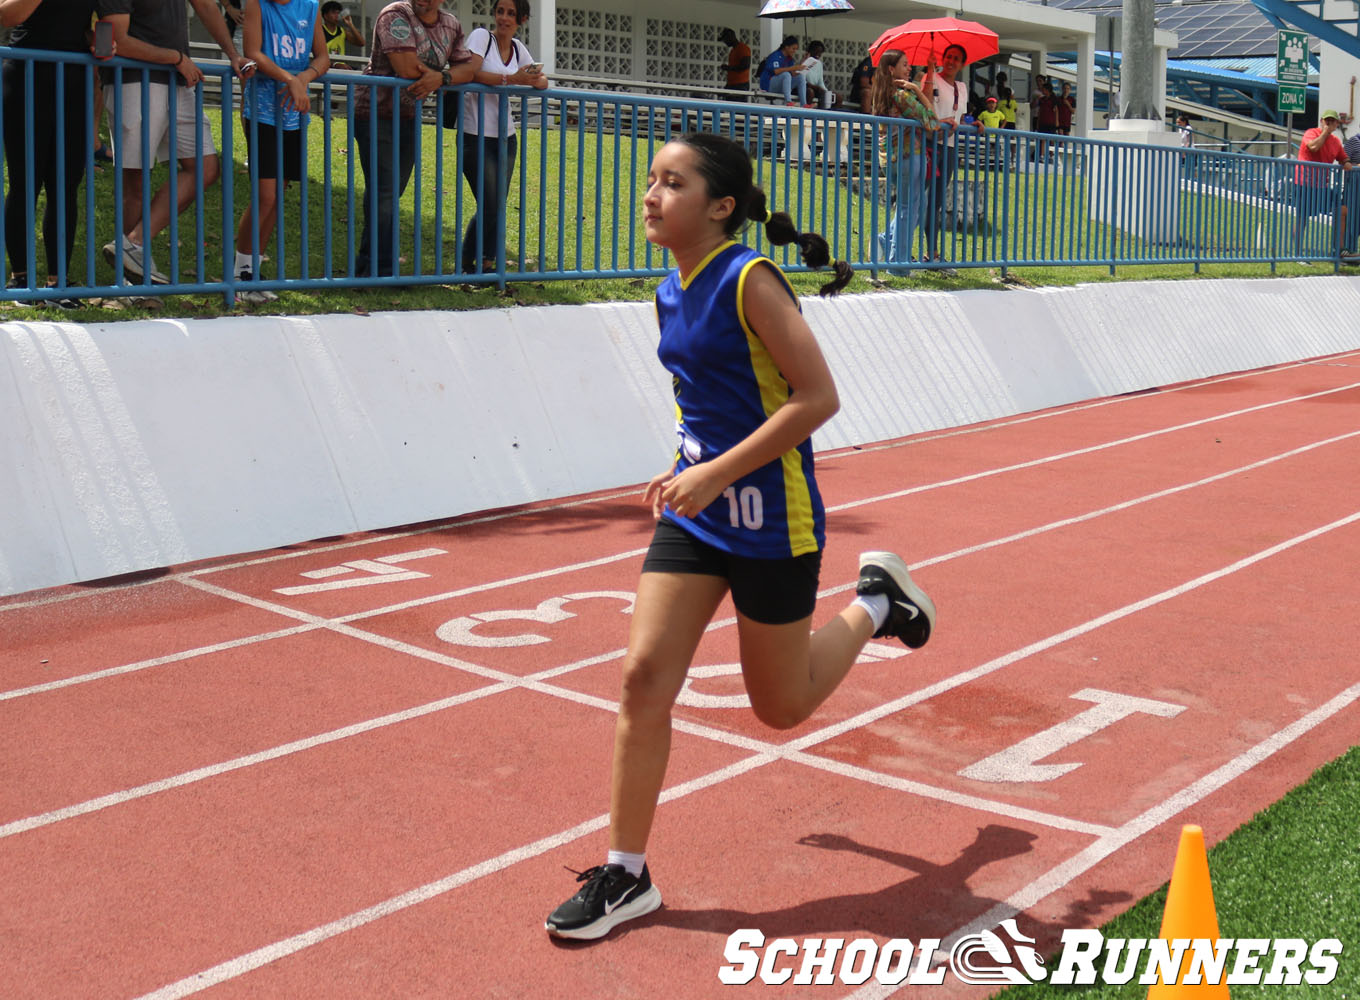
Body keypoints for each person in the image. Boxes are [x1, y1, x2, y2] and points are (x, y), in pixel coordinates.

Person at [543, 131, 936, 941]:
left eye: (673, 183)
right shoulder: (667, 288)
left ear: (720, 205)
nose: (652, 194)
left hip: (773, 521)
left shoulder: (749, 279)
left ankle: (875, 601)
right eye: (651, 179)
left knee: (781, 709)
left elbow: (817, 397)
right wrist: (685, 462)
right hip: (700, 514)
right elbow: (706, 398)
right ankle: (626, 874)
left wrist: (719, 470)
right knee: (643, 676)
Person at [97, 0, 253, 287]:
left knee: (205, 168)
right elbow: (115, 39)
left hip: (179, 80)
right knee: (135, 184)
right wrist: (175, 58)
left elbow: (205, 5)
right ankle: (130, 284)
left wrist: (233, 54)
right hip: (133, 80)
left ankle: (133, 246)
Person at [352, 0, 477, 279]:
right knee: (384, 191)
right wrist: (444, 78)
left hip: (408, 115)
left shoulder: (451, 24)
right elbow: (406, 67)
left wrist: (441, 78)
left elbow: (468, 70)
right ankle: (379, 269)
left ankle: (374, 264)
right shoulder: (394, 15)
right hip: (373, 112)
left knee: (392, 191)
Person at [2, 0, 102, 307]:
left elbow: (102, 28)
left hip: (74, 80)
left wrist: (103, 42)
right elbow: (7, 15)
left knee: (65, 187)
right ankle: (20, 279)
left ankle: (58, 284)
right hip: (25, 76)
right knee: (24, 182)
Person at [232, 0, 329, 304]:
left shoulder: (310, 7)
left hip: (294, 114)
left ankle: (255, 272)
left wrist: (304, 78)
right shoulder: (256, 5)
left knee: (279, 194)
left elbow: (323, 56)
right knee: (266, 196)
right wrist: (290, 78)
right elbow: (253, 52)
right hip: (261, 111)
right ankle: (241, 273)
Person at [456, 0, 547, 274]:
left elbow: (542, 81)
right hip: (475, 133)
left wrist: (530, 78)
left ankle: (480, 262)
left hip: (506, 137)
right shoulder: (482, 37)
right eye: (500, 11)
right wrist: (513, 80)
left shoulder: (519, 49)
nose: (504, 18)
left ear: (521, 19)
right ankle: (474, 261)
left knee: (495, 204)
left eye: (511, 14)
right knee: (491, 201)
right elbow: (472, 72)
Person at [869, 50, 938, 271]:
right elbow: (932, 122)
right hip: (908, 156)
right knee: (909, 208)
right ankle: (898, 263)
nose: (909, 68)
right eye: (905, 65)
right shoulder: (901, 94)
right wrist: (919, 90)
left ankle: (886, 240)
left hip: (893, 158)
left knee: (919, 206)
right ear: (892, 70)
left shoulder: (881, 93)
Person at [924, 42, 976, 274]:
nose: (951, 61)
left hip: (951, 148)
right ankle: (931, 254)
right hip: (931, 145)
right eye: (948, 56)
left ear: (962, 64)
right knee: (926, 200)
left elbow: (961, 116)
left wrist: (972, 123)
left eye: (956, 58)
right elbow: (924, 106)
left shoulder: (962, 87)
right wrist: (929, 72)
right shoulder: (931, 78)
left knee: (936, 201)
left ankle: (932, 253)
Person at [1291, 109, 1353, 261]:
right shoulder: (1311, 133)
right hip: (1304, 183)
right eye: (1327, 121)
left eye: (1333, 121)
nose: (1329, 124)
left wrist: (1346, 163)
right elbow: (1313, 147)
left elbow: (1343, 157)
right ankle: (1297, 253)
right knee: (1302, 217)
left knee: (1342, 209)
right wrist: (1325, 132)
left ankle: (1338, 250)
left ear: (1337, 124)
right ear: (1322, 121)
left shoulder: (1336, 142)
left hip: (1322, 186)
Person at [758, 35, 808, 107]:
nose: (794, 51)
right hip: (769, 86)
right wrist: (793, 68)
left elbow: (793, 74)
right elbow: (776, 71)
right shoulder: (775, 55)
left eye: (796, 49)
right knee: (786, 74)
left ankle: (804, 104)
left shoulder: (789, 59)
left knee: (800, 77)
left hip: (781, 87)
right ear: (786, 47)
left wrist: (803, 63)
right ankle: (788, 101)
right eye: (793, 48)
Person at [800, 40, 835, 109]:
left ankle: (828, 116)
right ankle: (806, 114)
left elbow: (820, 82)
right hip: (804, 88)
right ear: (810, 51)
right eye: (816, 51)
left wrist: (826, 91)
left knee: (836, 97)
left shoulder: (819, 64)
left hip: (816, 89)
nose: (818, 54)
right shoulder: (805, 61)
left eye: (820, 52)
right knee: (810, 92)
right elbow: (802, 80)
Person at [716, 26, 749, 101]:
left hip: (741, 85)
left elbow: (745, 66)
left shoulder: (743, 48)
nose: (725, 42)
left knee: (738, 110)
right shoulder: (733, 51)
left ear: (730, 37)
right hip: (732, 85)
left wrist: (728, 68)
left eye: (725, 40)